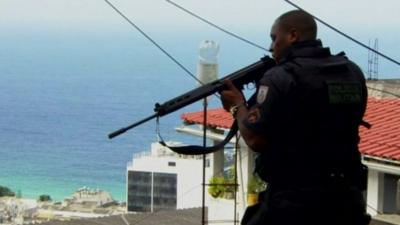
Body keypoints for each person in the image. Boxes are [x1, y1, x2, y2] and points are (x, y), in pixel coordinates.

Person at [220, 10, 371, 225]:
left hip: (295, 203)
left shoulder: (280, 77)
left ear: (292, 36)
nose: (271, 47)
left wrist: (237, 106)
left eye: (274, 38)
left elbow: (255, 139)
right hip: (347, 201)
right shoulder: (351, 71)